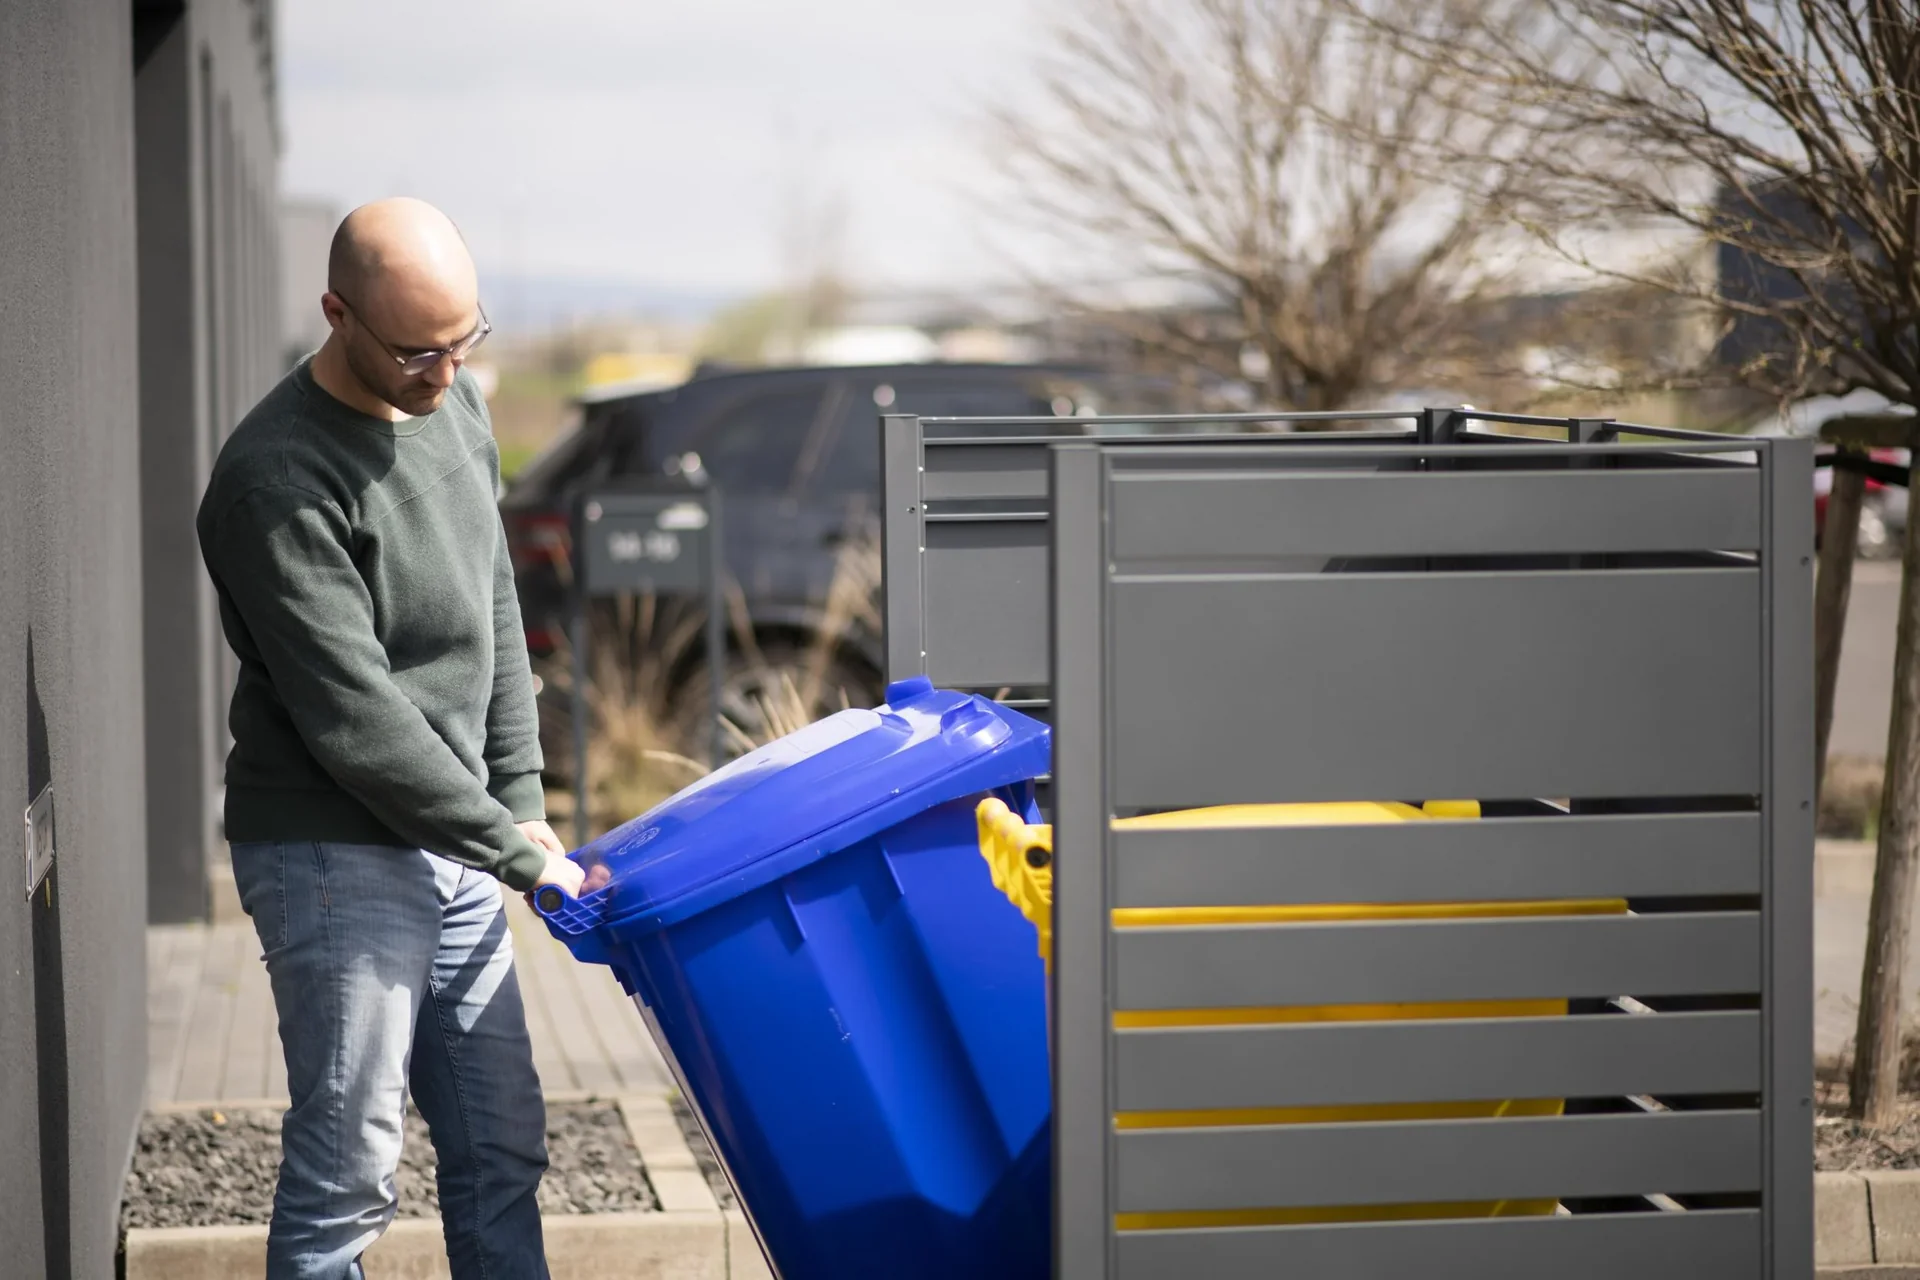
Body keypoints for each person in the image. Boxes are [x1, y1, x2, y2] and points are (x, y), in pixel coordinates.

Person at [197, 197, 584, 1280]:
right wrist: (514, 853)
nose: (446, 374)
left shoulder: (452, 407)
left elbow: (492, 603)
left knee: (501, 1142)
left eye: (466, 342)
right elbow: (358, 721)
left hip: (451, 834)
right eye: (419, 350)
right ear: (335, 313)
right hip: (334, 849)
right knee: (349, 1170)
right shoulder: (275, 480)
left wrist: (521, 800)